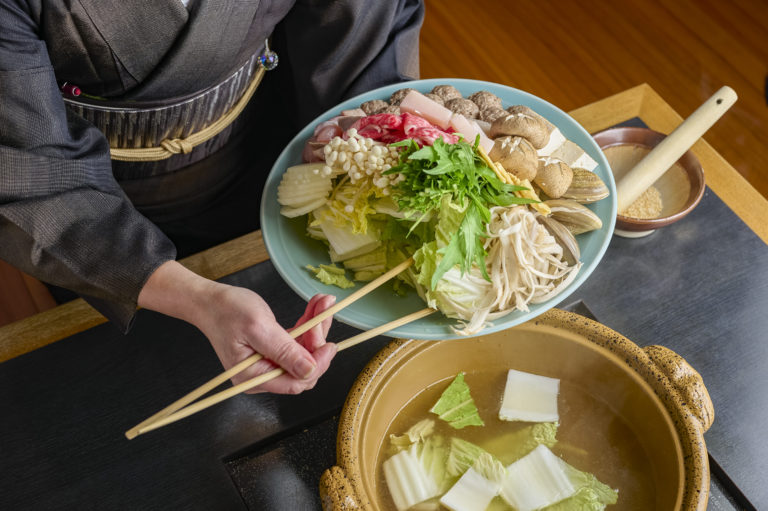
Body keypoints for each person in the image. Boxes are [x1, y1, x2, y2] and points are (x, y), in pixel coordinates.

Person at [0, 0, 424, 393]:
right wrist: (200, 300)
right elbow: (29, 169)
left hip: (280, 159)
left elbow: (359, 17)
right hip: (103, 226)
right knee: (135, 386)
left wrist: (363, 136)